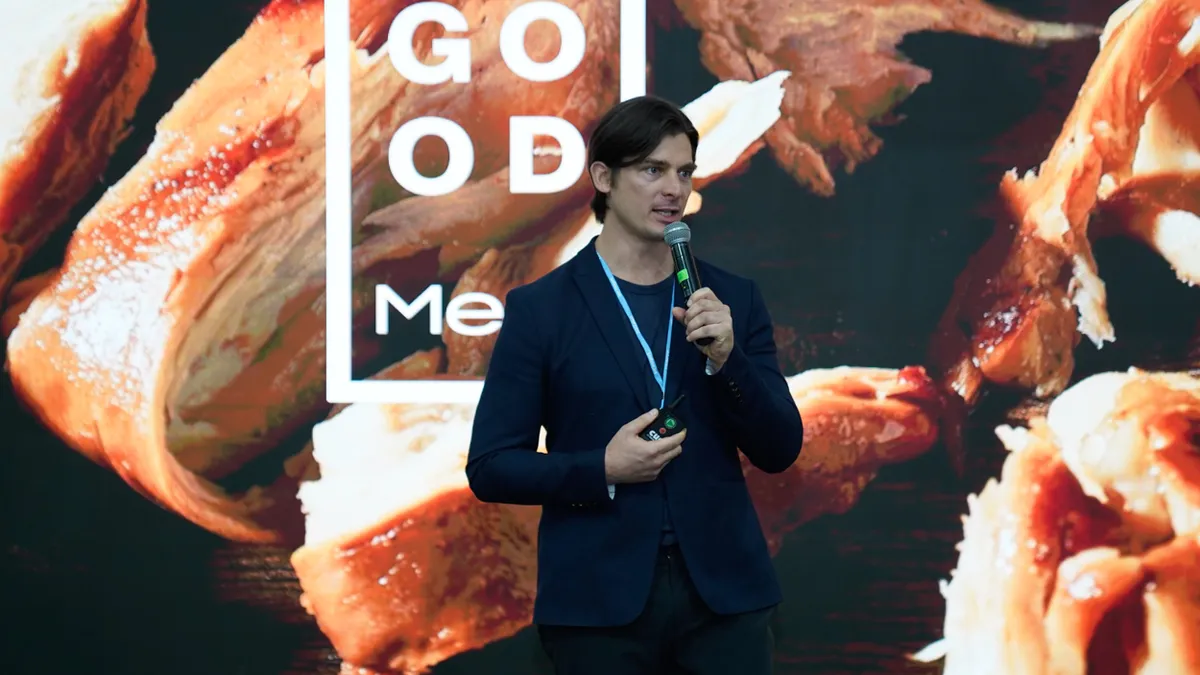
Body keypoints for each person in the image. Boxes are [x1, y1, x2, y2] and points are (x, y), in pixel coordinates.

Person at [465, 95, 805, 675]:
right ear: (604, 178)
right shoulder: (542, 309)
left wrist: (729, 359)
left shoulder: (731, 300)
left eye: (683, 172)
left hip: (724, 601)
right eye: (652, 170)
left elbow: (780, 449)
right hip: (598, 605)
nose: (673, 188)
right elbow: (492, 465)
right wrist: (601, 468)